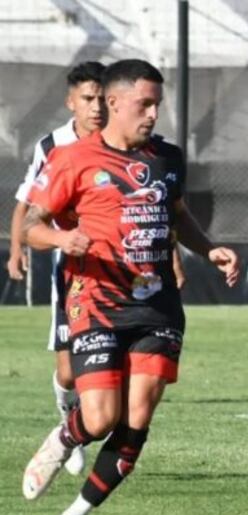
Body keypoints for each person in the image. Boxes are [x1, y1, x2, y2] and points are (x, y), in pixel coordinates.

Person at [20, 59, 239, 515]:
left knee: (137, 417)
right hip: (96, 302)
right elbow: (30, 224)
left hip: (158, 305)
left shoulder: (169, 158)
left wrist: (209, 249)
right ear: (113, 103)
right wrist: (61, 238)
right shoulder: (72, 159)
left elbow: (179, 218)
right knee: (99, 419)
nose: (153, 114)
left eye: (157, 104)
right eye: (144, 104)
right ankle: (65, 436)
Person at [7, 61, 105, 477]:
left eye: (102, 98)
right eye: (88, 98)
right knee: (67, 370)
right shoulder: (52, 145)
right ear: (71, 102)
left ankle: (96, 429)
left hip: (118, 267)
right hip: (70, 268)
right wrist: (16, 249)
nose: (97, 107)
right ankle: (69, 425)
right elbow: (27, 205)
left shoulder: (122, 141)